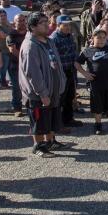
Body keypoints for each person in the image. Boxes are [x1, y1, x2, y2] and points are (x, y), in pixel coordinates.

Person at [20, 12, 67, 157]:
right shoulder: (30, 46)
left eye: (47, 21)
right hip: (39, 93)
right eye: (42, 22)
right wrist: (42, 93)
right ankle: (38, 146)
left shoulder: (48, 41)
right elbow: (33, 73)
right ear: (33, 27)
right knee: (39, 120)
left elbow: (57, 62)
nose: (47, 24)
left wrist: (62, 81)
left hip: (52, 88)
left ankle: (50, 141)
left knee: (51, 117)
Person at [76, 29, 108, 135]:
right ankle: (98, 124)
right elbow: (77, 63)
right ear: (92, 38)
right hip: (95, 83)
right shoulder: (87, 51)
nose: (101, 40)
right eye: (98, 37)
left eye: (103, 37)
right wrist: (85, 74)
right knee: (97, 105)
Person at [50, 15, 81, 129]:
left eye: (69, 25)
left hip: (70, 70)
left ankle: (68, 119)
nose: (68, 27)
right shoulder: (53, 39)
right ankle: (58, 123)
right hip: (59, 72)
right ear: (58, 25)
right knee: (60, 98)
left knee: (70, 95)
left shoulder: (70, 36)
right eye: (65, 25)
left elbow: (74, 52)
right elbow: (52, 57)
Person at [6, 14, 28, 116]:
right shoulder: (11, 35)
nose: (22, 22)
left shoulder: (29, 33)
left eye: (23, 20)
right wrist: (26, 59)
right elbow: (13, 50)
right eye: (19, 20)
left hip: (29, 65)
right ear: (15, 22)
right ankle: (17, 108)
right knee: (17, 88)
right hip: (15, 65)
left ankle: (29, 106)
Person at [0, 8, 13, 88]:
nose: (3, 17)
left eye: (4, 15)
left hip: (9, 49)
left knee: (9, 67)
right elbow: (5, 35)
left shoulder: (7, 25)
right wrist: (11, 29)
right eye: (1, 16)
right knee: (3, 68)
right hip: (2, 50)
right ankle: (2, 82)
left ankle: (9, 81)